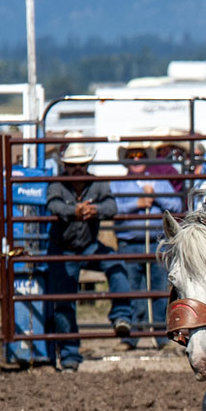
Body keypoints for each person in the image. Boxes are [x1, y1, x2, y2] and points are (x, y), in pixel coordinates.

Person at [46, 142, 133, 371]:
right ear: (65, 166)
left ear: (87, 165)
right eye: (73, 166)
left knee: (116, 264)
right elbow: (53, 204)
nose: (77, 169)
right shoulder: (57, 184)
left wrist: (94, 210)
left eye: (81, 165)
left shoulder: (97, 183)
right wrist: (74, 211)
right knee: (65, 303)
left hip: (89, 245)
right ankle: (69, 356)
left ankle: (121, 316)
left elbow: (111, 206)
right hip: (63, 248)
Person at [110, 144, 181, 349]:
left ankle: (161, 336)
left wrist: (155, 196)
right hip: (129, 243)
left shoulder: (159, 182)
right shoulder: (118, 183)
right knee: (132, 289)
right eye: (133, 155)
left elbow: (176, 205)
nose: (137, 159)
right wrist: (137, 203)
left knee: (159, 290)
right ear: (127, 159)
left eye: (141, 155)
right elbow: (113, 208)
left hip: (157, 244)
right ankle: (131, 337)